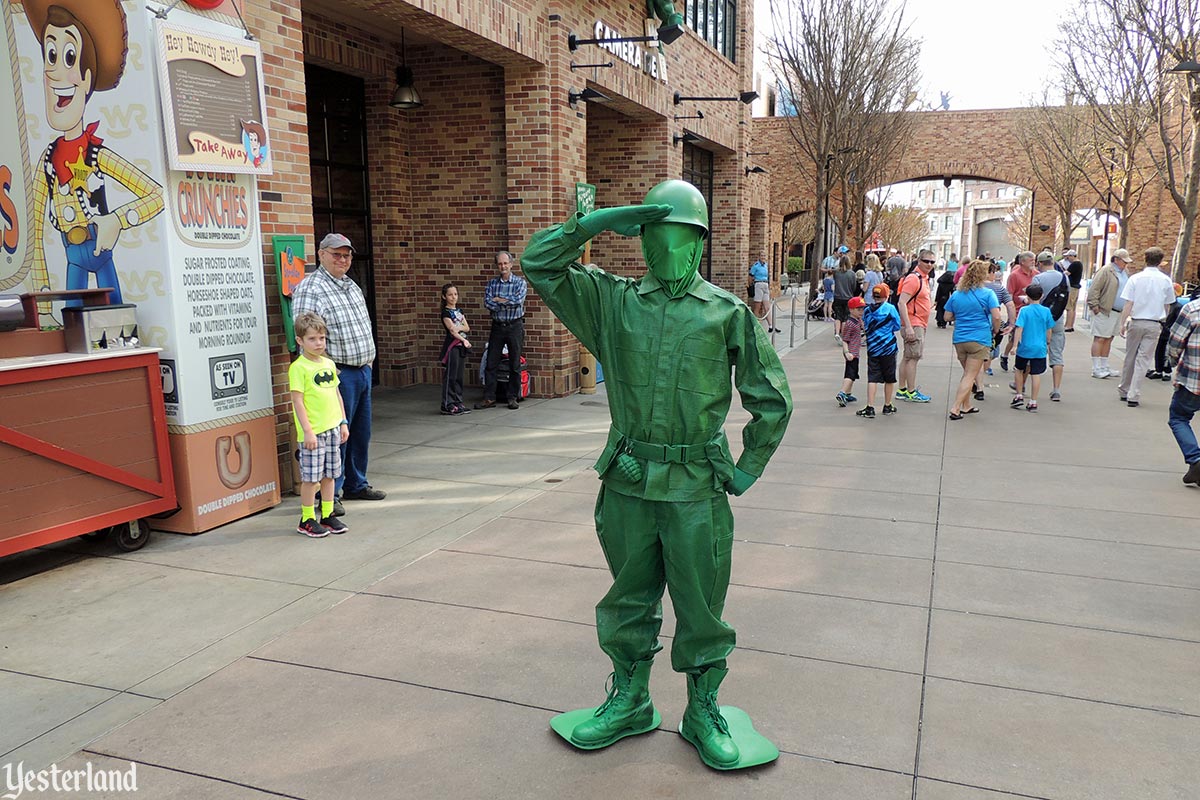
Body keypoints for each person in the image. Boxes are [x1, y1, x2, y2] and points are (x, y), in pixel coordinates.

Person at [521, 180, 792, 770]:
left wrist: (745, 468)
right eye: (658, 236)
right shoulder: (612, 302)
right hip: (627, 482)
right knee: (627, 599)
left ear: (699, 242)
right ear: (641, 238)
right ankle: (629, 699)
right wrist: (589, 226)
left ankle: (703, 708)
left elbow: (771, 397)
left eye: (683, 237)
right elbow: (537, 264)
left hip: (695, 487)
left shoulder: (726, 312)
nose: (671, 250)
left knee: (701, 606)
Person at [25, 0, 165, 327]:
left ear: (86, 80)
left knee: (119, 322)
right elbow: (33, 230)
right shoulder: (46, 162)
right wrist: (42, 295)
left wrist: (117, 219)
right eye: (51, 56)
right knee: (72, 321)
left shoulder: (97, 154)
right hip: (71, 255)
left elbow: (155, 195)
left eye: (69, 57)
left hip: (102, 252)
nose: (56, 72)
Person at [292, 233, 386, 514]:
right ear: (321, 254)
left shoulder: (350, 285)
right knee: (336, 436)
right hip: (335, 375)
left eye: (346, 255)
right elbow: (306, 334)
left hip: (362, 371)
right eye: (336, 254)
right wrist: (321, 376)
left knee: (359, 432)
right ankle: (332, 495)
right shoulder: (312, 287)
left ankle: (357, 483)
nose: (342, 260)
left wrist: (368, 364)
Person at [288, 312, 350, 538]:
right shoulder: (299, 367)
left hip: (333, 428)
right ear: (300, 341)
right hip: (313, 432)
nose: (318, 343)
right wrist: (307, 432)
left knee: (330, 475)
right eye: (312, 339)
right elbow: (297, 401)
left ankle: (326, 513)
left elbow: (336, 394)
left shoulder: (329, 364)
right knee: (311, 478)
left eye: (322, 338)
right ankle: (307, 518)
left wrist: (343, 422)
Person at [1116, 247, 1177, 407]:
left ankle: (1124, 388)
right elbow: (1168, 305)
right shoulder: (1165, 280)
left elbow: (1128, 303)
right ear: (1160, 261)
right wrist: (1163, 320)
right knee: (1143, 359)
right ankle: (1134, 394)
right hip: (1154, 323)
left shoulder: (1135, 278)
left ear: (1145, 258)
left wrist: (1122, 323)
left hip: (1136, 320)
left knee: (1130, 356)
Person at [943, 260, 1000, 419]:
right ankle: (955, 408)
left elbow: (947, 316)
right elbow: (996, 315)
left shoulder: (957, 294)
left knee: (967, 373)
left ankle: (966, 405)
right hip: (979, 338)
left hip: (960, 338)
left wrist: (961, 315)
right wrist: (996, 330)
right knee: (970, 375)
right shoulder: (988, 294)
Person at [477, 251, 528, 410]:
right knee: (491, 363)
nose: (503, 266)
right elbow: (487, 303)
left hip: (515, 326)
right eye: (500, 264)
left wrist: (498, 300)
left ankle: (512, 397)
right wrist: (505, 301)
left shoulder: (520, 283)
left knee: (514, 364)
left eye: (505, 263)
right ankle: (489, 398)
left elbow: (518, 301)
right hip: (497, 327)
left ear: (511, 264)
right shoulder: (492, 284)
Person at [1165, 291, 1200, 485]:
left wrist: (1173, 361)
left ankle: (1195, 459)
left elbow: (1175, 342)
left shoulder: (1192, 308)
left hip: (1194, 379)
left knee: (1179, 417)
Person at [1086, 248, 1134, 378]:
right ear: (1116, 259)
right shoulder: (1106, 270)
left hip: (1118, 311)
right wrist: (1095, 306)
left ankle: (1104, 365)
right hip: (1104, 310)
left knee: (1109, 338)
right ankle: (1096, 368)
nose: (1125, 264)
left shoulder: (1125, 272)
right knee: (1100, 337)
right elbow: (1094, 289)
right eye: (1124, 261)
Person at [857, 284, 902, 419]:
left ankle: (870, 407)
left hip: (873, 348)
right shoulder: (890, 309)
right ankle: (887, 405)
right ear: (886, 296)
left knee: (873, 377)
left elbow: (865, 324)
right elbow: (897, 325)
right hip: (888, 348)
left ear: (873, 296)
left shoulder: (867, 310)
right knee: (889, 378)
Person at [1029, 251, 1069, 402]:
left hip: (1039, 320)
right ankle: (1056, 389)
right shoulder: (1064, 277)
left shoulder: (1038, 278)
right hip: (1057, 318)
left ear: (1039, 263)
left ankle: (1024, 385)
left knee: (1032, 351)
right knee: (1057, 354)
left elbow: (1033, 298)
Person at [896, 248, 935, 403]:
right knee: (913, 358)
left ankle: (902, 389)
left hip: (918, 323)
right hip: (914, 323)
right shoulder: (914, 279)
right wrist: (909, 326)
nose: (929, 264)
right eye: (926, 261)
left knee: (908, 357)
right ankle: (911, 391)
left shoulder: (923, 278)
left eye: (932, 262)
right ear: (919, 261)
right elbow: (902, 302)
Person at [1010, 283, 1054, 412]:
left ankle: (1019, 395)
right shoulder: (1046, 311)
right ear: (1042, 296)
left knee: (1019, 369)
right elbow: (1049, 329)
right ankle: (1033, 401)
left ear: (1027, 297)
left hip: (1025, 346)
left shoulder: (1024, 310)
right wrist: (1048, 342)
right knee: (1036, 374)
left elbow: (1019, 328)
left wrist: (1014, 345)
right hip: (1039, 347)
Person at [439, 282, 472, 416]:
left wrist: (459, 328)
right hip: (453, 346)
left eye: (455, 294)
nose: (453, 297)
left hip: (461, 347)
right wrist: (463, 339)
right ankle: (447, 404)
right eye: (450, 295)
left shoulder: (459, 311)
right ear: (444, 297)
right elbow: (452, 331)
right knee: (451, 376)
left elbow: (467, 327)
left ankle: (458, 402)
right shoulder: (446, 313)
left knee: (459, 376)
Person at [1001, 251, 1038, 371]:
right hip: (1018, 312)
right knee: (1014, 339)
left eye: (1034, 259)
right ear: (1022, 262)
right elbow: (1009, 296)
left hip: (1032, 312)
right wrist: (1019, 302)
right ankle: (1005, 355)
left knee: (1027, 339)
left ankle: (1020, 364)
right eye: (1031, 260)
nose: (1033, 261)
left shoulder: (1036, 275)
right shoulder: (1014, 276)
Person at [984, 261, 1017, 379]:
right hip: (994, 323)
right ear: (990, 273)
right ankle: (985, 367)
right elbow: (1010, 306)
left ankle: (981, 369)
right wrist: (1011, 323)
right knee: (992, 348)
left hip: (975, 325)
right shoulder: (999, 289)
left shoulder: (971, 288)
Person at [836, 296, 866, 407]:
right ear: (851, 310)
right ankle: (842, 392)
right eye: (858, 309)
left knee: (853, 373)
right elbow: (845, 339)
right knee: (850, 374)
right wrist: (847, 352)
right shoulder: (850, 323)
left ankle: (848, 393)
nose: (861, 312)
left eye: (862, 309)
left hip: (855, 353)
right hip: (851, 353)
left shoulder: (857, 321)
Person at [832, 255, 859, 338]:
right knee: (845, 317)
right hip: (848, 297)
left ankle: (837, 333)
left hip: (837, 297)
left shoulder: (836, 272)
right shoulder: (852, 274)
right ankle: (843, 335)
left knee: (838, 316)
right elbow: (854, 286)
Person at [748, 254, 774, 332]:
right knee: (758, 306)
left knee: (767, 307)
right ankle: (756, 325)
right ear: (759, 257)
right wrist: (750, 286)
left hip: (765, 284)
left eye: (764, 256)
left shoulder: (766, 265)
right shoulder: (756, 266)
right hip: (758, 284)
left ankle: (770, 325)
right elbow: (750, 276)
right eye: (762, 256)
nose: (763, 258)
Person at [934, 261, 958, 328]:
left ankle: (939, 321)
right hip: (947, 297)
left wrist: (936, 300)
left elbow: (938, 292)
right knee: (945, 309)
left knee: (940, 310)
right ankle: (944, 323)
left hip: (941, 298)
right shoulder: (951, 284)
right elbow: (953, 292)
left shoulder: (941, 283)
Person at [1065, 257, 1084, 331]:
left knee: (1069, 307)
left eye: (1068, 256)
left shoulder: (1075, 264)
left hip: (1072, 287)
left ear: (1072, 256)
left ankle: (1068, 325)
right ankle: (1070, 325)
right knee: (1073, 307)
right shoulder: (1080, 264)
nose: (1067, 258)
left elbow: (1067, 273)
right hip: (1076, 287)